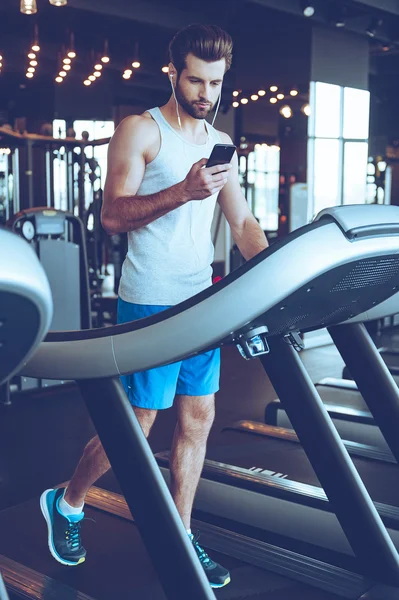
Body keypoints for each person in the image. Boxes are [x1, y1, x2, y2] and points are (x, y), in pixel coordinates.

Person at [40, 23, 268, 589]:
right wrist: (183, 192)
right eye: (195, 79)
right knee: (139, 424)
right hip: (150, 303)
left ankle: (181, 536)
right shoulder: (141, 130)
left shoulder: (218, 144)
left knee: (198, 419)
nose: (205, 93)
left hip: (202, 301)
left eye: (215, 82)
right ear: (174, 72)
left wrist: (269, 277)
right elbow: (112, 215)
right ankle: (66, 503)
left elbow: (241, 222)